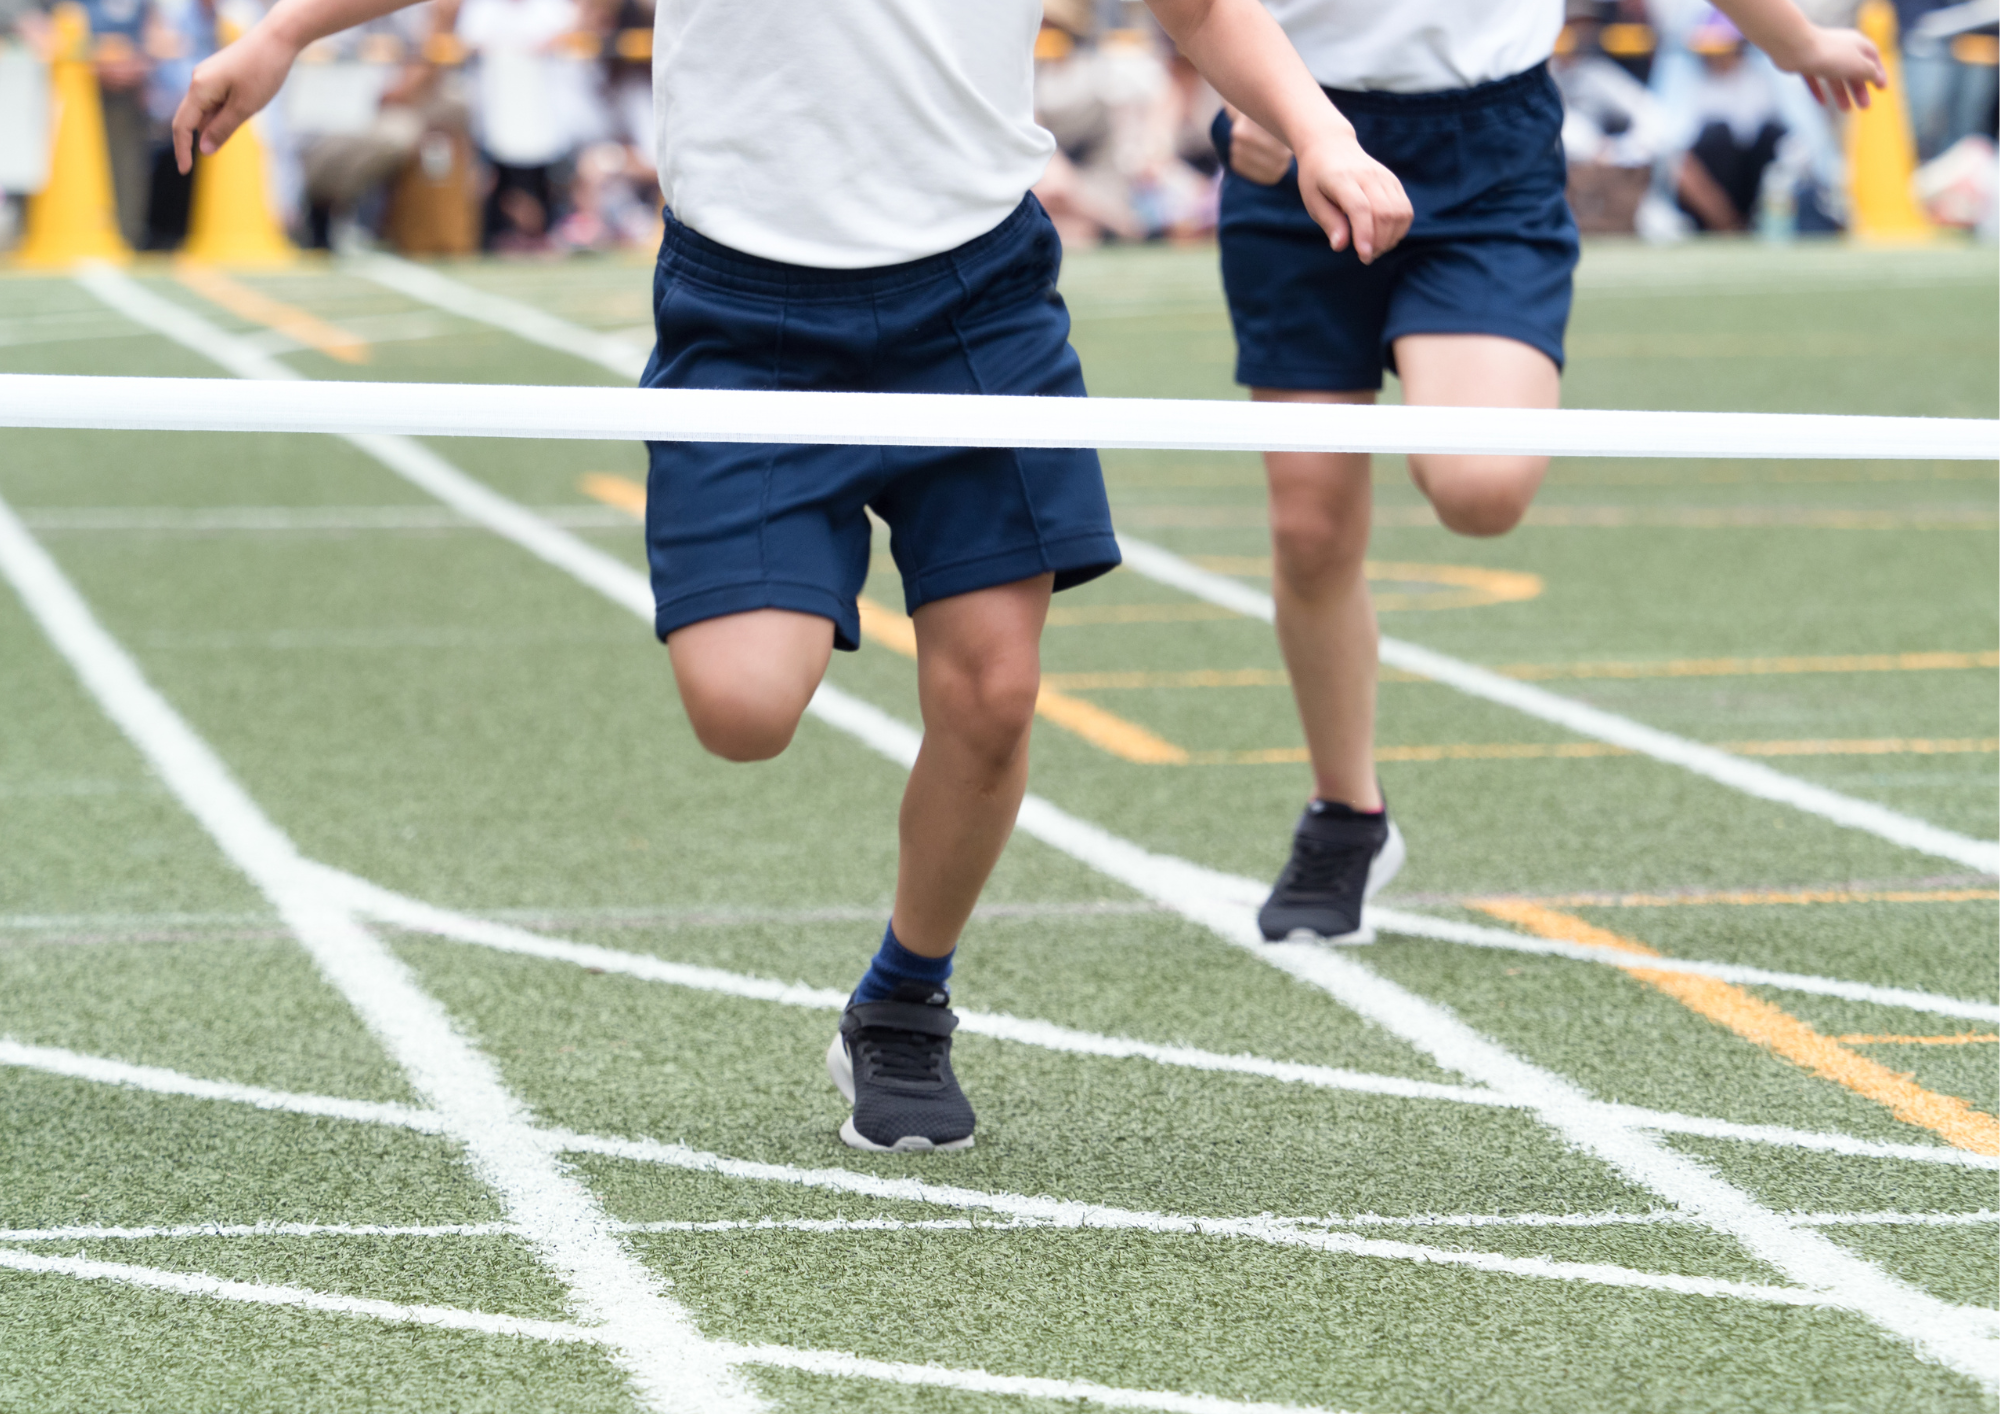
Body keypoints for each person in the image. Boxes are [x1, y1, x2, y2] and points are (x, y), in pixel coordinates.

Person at [170, 0, 1411, 1152]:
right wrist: (285, 33)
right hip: (747, 313)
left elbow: (1197, 8)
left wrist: (1319, 132)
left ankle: (903, 1005)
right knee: (743, 709)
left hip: (976, 302)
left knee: (991, 691)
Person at [1210, 0, 1882, 944]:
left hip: (1486, 146)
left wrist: (1795, 40)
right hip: (1293, 139)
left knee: (1482, 490)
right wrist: (1251, 93)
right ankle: (1345, 814)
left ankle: (1432, 346)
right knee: (1310, 530)